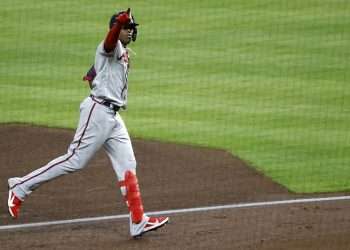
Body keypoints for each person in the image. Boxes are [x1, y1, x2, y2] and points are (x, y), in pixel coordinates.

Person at [7, 8, 169, 238]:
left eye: (131, 29)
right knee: (75, 160)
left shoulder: (121, 52)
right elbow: (109, 43)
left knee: (128, 164)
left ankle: (138, 220)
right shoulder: (108, 45)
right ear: (116, 28)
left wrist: (100, 76)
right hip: (99, 111)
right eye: (127, 28)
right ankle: (20, 186)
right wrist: (118, 24)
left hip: (113, 116)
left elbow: (91, 75)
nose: (131, 32)